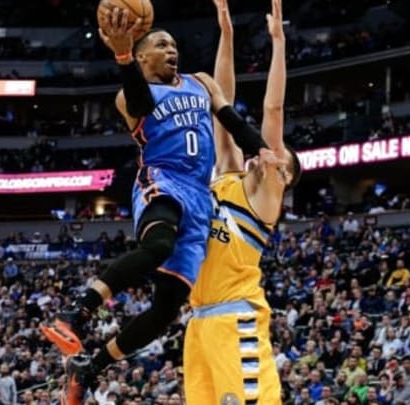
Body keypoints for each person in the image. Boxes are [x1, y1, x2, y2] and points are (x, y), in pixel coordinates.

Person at [41, 3, 277, 401]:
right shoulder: (128, 95)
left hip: (200, 196)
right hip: (162, 177)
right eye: (162, 45)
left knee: (167, 309)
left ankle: (89, 368)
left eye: (174, 46)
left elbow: (231, 119)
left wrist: (260, 149)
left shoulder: (200, 82)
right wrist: (120, 56)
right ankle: (76, 313)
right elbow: (139, 102)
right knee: (158, 245)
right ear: (141, 55)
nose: (173, 51)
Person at [183, 0, 300, 403]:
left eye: (281, 156)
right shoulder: (228, 174)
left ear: (284, 177)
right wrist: (227, 35)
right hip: (198, 323)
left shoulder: (264, 197)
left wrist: (279, 43)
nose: (272, 152)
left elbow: (273, 109)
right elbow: (221, 101)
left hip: (236, 318)